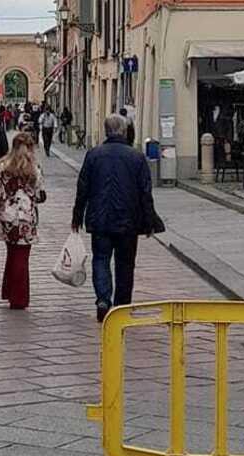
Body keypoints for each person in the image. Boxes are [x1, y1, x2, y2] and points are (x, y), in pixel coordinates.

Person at [72, 114, 155, 322]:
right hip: (128, 220)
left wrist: (77, 215)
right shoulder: (136, 157)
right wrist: (149, 221)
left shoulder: (94, 155)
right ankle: (122, 306)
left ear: (106, 131)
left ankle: (102, 299)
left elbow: (82, 188)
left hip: (99, 218)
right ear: (124, 131)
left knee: (100, 259)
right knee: (125, 263)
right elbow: (145, 192)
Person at [0, 132, 45, 310]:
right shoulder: (35, 168)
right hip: (26, 216)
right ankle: (19, 297)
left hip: (7, 216)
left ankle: (9, 291)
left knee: (12, 253)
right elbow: (39, 194)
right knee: (22, 257)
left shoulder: (2, 165)